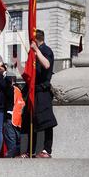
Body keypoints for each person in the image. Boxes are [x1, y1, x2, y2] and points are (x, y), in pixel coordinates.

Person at [20, 29, 57, 158]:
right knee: (31, 120)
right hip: (34, 91)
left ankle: (47, 150)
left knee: (46, 121)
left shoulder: (46, 50)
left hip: (43, 91)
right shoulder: (35, 52)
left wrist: (36, 50)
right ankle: (31, 150)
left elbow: (46, 65)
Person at [3, 80, 25, 158]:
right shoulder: (21, 92)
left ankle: (11, 156)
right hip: (19, 121)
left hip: (12, 120)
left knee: (12, 147)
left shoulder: (11, 90)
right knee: (19, 145)